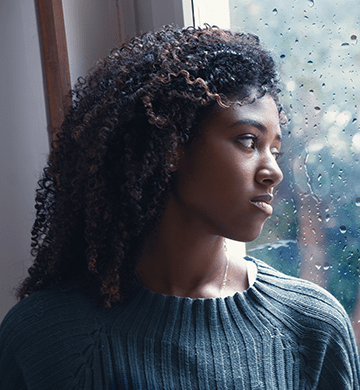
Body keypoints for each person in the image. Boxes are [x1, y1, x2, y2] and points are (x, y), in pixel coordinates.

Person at [0, 25, 359, 390]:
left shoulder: (313, 328)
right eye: (249, 142)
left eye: (275, 150)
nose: (273, 172)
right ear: (171, 146)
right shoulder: (46, 339)